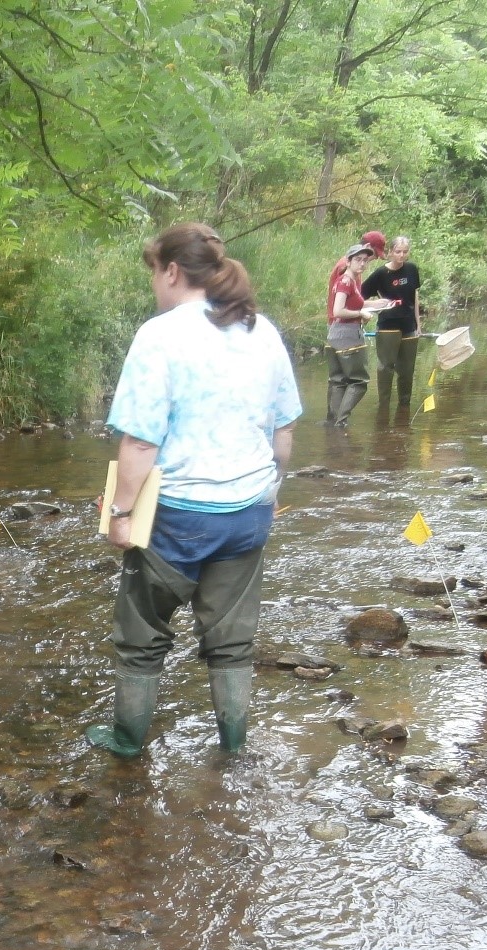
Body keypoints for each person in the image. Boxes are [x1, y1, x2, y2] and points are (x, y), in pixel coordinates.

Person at [86, 225, 300, 759]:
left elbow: (139, 442)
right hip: (248, 511)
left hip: (175, 516)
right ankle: (233, 747)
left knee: (141, 638)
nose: (154, 286)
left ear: (173, 272)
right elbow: (284, 432)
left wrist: (120, 513)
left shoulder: (160, 336)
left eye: (154, 274)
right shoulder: (263, 330)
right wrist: (272, 490)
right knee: (232, 641)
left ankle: (127, 741)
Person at [360, 235, 422, 411]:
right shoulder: (381, 274)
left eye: (405, 252)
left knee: (407, 370)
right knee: (386, 367)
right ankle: (383, 407)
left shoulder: (412, 269)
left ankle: (404, 408)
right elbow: (359, 296)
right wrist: (373, 306)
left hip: (409, 325)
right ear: (390, 253)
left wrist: (419, 324)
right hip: (388, 326)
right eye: (397, 252)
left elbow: (415, 297)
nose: (401, 255)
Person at [324, 243, 381, 426]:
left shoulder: (350, 281)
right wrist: (360, 314)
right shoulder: (346, 281)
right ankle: (341, 421)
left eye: (365, 260)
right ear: (348, 261)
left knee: (338, 380)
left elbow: (353, 304)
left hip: (334, 334)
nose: (362, 264)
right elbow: (338, 310)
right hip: (347, 335)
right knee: (359, 381)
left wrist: (378, 304)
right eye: (357, 260)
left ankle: (333, 423)